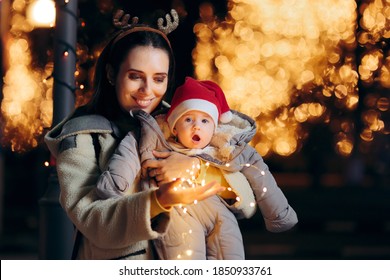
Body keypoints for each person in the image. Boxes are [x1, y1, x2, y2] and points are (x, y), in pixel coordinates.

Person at [44, 9, 225, 260]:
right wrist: (157, 201)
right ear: (110, 74)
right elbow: (91, 218)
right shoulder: (83, 136)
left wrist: (196, 165)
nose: (147, 91)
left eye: (158, 79)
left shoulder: (182, 124)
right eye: (135, 77)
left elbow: (242, 191)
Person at [96, 76, 298, 259]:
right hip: (179, 212)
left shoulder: (225, 148)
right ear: (174, 126)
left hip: (220, 212)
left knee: (230, 256)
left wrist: (279, 214)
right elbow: (128, 153)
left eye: (204, 121)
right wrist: (113, 186)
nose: (196, 126)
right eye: (188, 119)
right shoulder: (154, 138)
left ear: (215, 127)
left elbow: (258, 172)